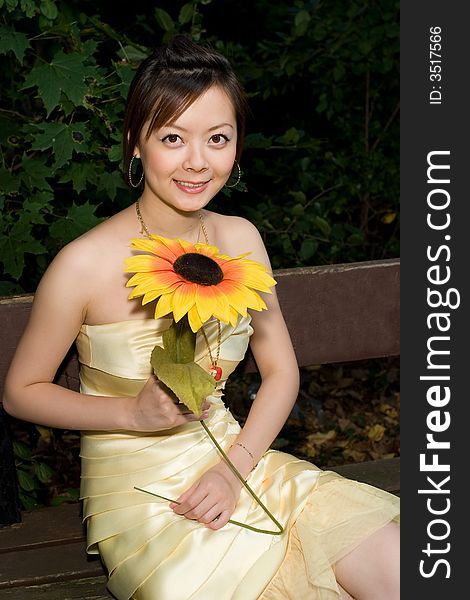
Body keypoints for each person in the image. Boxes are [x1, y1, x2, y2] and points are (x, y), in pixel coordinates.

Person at [3, 35, 399, 600]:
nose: (197, 161)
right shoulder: (84, 265)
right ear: (136, 144)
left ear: (236, 145)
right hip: (145, 503)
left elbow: (281, 373)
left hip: (240, 463)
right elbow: (21, 391)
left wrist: (232, 471)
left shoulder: (240, 238)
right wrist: (134, 414)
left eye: (217, 138)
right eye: (172, 138)